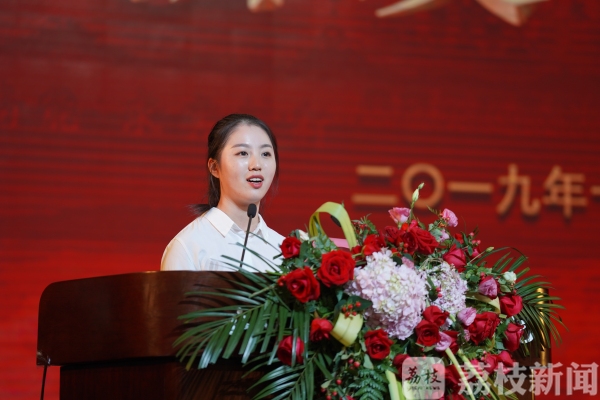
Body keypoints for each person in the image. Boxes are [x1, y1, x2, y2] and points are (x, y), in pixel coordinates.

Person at [160, 114, 284, 272]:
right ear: (214, 168)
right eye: (243, 153)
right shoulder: (188, 248)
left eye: (265, 154)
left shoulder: (285, 252)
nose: (257, 165)